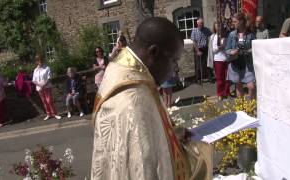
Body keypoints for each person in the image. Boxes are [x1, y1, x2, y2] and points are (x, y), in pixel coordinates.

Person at [91, 17, 212, 180]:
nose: (175, 70)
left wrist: (175, 133)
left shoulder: (128, 71)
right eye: (174, 61)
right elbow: (142, 168)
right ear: (154, 53)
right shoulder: (133, 102)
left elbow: (151, 129)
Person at [226, 12, 256, 99]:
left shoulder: (250, 34)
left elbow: (255, 47)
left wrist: (248, 51)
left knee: (251, 86)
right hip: (235, 63)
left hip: (247, 64)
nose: (233, 23)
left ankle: (251, 107)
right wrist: (232, 52)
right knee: (238, 86)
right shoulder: (232, 35)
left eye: (235, 22)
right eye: (233, 22)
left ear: (242, 21)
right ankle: (241, 107)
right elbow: (227, 50)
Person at [32, 55, 61, 120]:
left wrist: (44, 85)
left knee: (49, 100)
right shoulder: (35, 70)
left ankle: (55, 114)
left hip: (47, 86)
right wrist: (40, 85)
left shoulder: (47, 68)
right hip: (40, 88)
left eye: (41, 60)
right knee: (44, 102)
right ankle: (49, 114)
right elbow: (33, 80)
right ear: (36, 61)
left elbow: (49, 78)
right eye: (38, 60)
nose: (40, 61)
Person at [207, 22, 230, 101]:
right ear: (214, 27)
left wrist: (225, 46)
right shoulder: (213, 37)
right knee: (220, 78)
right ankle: (220, 93)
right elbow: (212, 50)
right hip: (218, 59)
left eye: (219, 26)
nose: (218, 28)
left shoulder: (226, 36)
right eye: (217, 26)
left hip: (226, 59)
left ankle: (226, 93)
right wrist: (219, 48)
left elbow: (228, 47)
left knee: (227, 77)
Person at [191, 18, 213, 84]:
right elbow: (194, 42)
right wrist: (197, 51)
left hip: (205, 48)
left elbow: (212, 36)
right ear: (197, 24)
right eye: (201, 23)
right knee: (198, 65)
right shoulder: (194, 30)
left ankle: (210, 78)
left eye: (202, 23)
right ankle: (198, 79)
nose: (202, 24)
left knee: (208, 64)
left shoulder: (206, 29)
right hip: (198, 48)